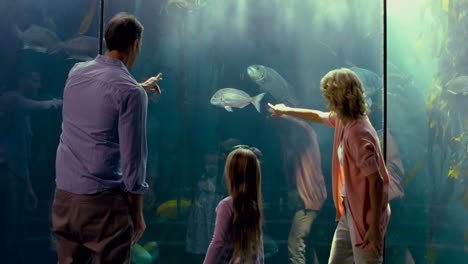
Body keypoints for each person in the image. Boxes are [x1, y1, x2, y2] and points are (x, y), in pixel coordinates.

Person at [52, 12, 163, 263]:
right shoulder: (130, 93)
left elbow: (101, 94)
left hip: (65, 198)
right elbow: (134, 159)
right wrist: (137, 213)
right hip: (103, 205)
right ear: (135, 44)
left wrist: (137, 87)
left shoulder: (76, 71)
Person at [269, 68, 391, 264]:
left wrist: (374, 227)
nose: (326, 98)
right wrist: (286, 110)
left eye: (329, 93)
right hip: (351, 210)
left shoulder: (358, 132)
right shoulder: (344, 120)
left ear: (342, 95)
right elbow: (319, 116)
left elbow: (376, 181)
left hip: (367, 215)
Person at [0, 72, 62, 264]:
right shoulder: (10, 98)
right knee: (8, 228)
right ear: (22, 80)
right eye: (34, 80)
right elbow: (39, 106)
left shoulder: (23, 115)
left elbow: (23, 154)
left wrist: (27, 186)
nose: (39, 85)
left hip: (17, 175)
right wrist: (61, 102)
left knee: (19, 228)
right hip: (5, 172)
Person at [278, 114, 327, 264]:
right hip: (303, 200)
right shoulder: (292, 146)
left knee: (295, 245)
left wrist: (285, 114)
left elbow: (304, 127)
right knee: (308, 246)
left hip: (310, 199)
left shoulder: (308, 137)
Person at [204, 148, 264, 264]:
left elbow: (217, 243)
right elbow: (259, 246)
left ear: (231, 173)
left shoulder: (226, 205)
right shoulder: (254, 204)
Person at [186, 151, 224, 262]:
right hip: (201, 215)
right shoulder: (198, 181)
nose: (211, 166)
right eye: (208, 163)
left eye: (214, 163)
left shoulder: (222, 182)